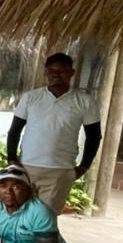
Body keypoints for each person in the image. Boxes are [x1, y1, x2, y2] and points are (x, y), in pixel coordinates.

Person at [7, 53, 102, 215]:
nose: (56, 75)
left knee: (45, 218)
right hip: (27, 167)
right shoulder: (31, 98)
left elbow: (94, 136)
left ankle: (42, 241)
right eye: (51, 71)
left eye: (62, 70)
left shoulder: (85, 101)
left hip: (60, 170)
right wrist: (11, 159)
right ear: (45, 73)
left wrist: (84, 166)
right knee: (16, 213)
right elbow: (15, 130)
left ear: (72, 73)